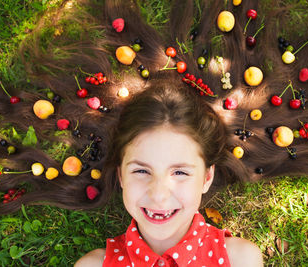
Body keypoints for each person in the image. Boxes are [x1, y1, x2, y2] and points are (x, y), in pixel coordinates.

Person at [74, 84, 263, 266]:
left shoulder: (240, 260)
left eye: (180, 172)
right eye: (141, 171)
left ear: (206, 178)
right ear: (121, 176)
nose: (158, 195)